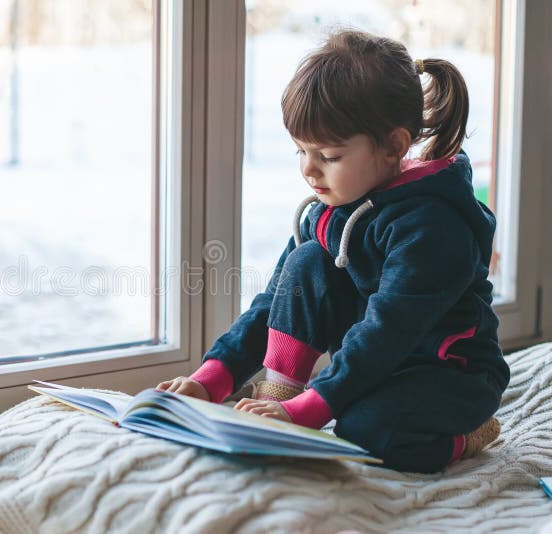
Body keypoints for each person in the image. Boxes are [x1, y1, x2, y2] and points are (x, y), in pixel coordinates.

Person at [155, 29, 510, 473]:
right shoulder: (331, 208)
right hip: (380, 366)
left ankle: (470, 433)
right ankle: (275, 399)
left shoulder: (434, 228)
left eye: (329, 154)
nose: (308, 169)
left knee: (364, 430)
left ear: (395, 146)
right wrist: (211, 380)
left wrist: (313, 408)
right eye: (301, 150)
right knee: (304, 263)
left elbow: (386, 333)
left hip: (450, 374)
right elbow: (272, 304)